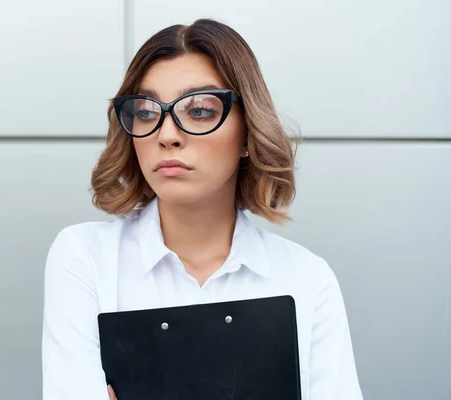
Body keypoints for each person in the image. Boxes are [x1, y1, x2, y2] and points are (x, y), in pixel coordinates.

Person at [42, 19, 363, 400]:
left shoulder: (307, 278)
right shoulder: (85, 258)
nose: (166, 134)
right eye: (146, 111)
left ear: (247, 132)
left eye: (198, 111)